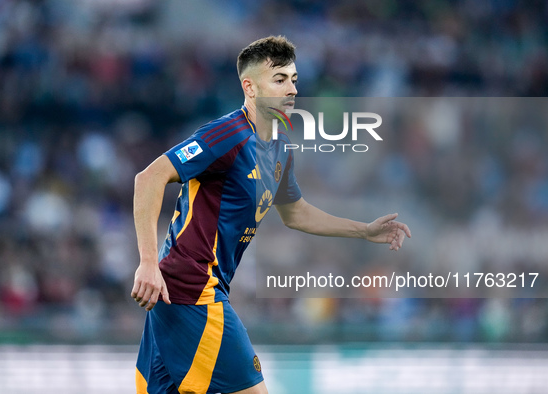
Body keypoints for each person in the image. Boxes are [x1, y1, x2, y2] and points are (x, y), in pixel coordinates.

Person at [131, 35, 411, 394]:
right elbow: (149, 178)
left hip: (180, 297)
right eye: (279, 79)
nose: (291, 89)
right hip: (193, 291)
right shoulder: (227, 135)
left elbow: (297, 214)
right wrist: (147, 262)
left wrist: (364, 231)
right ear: (249, 87)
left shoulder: (279, 148)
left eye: (294, 79)